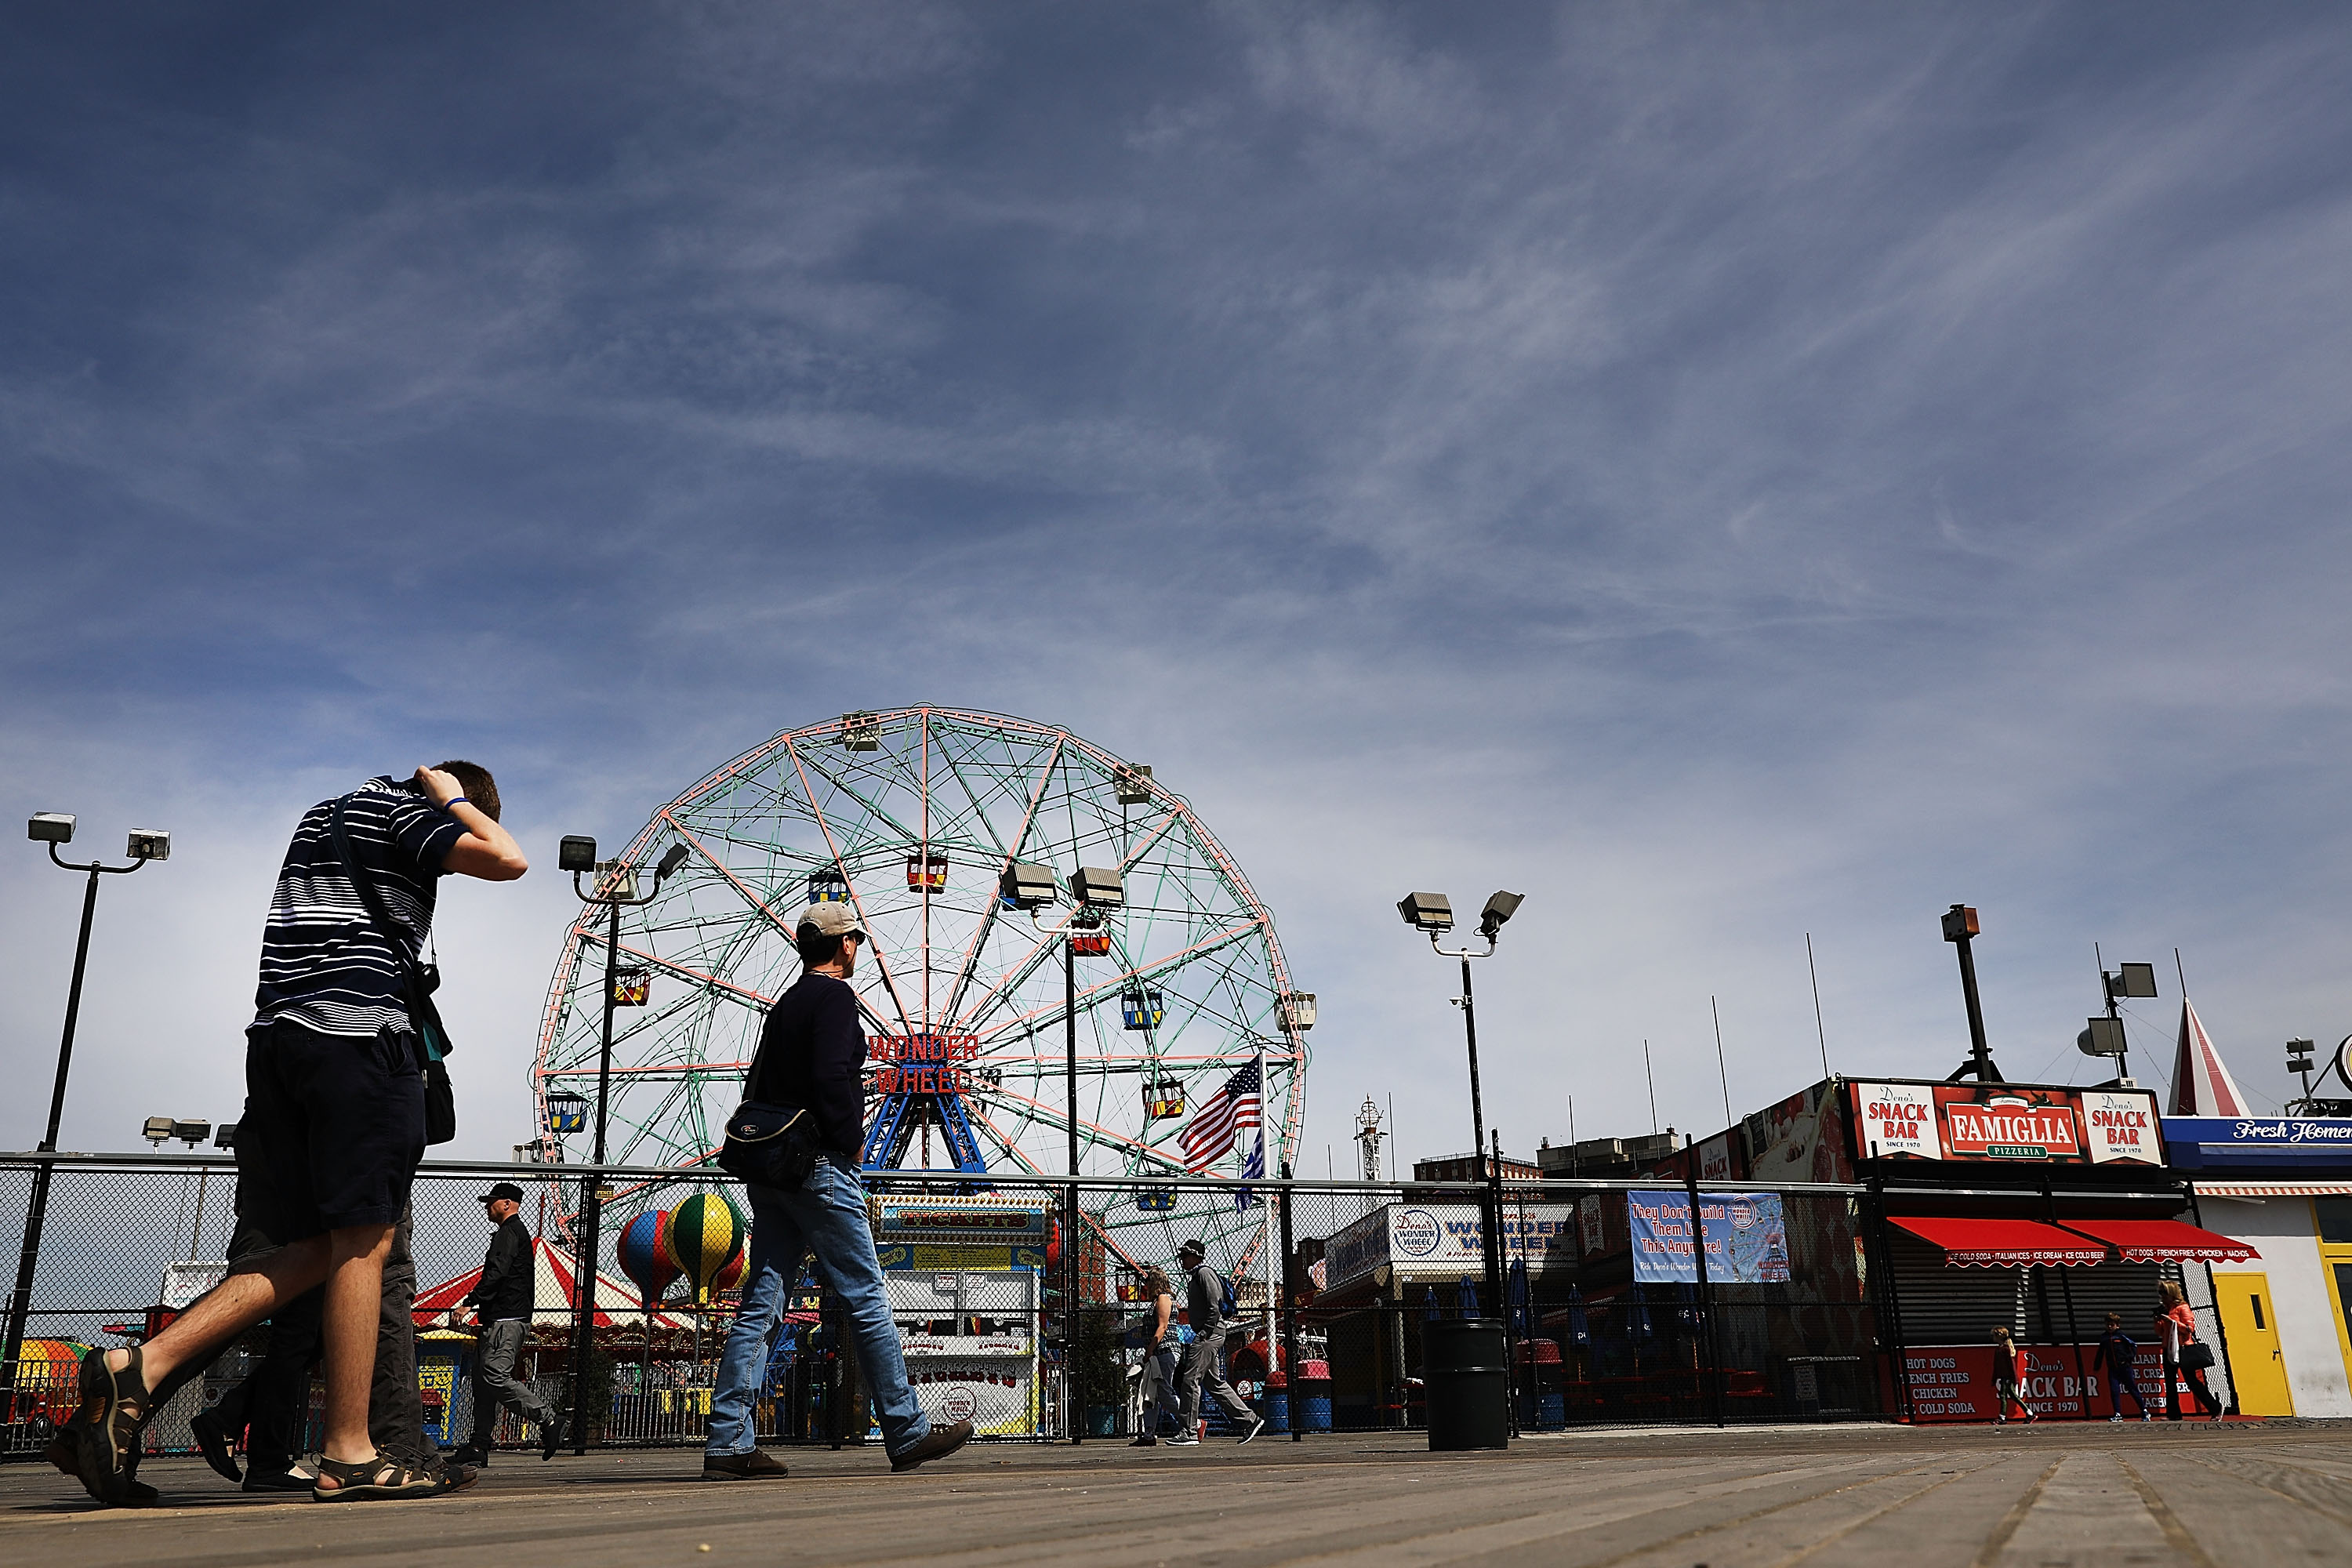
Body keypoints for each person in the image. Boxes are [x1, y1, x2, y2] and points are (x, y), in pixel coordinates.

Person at [60, 764, 526, 1506]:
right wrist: (456, 800)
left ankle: (139, 1370)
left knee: (310, 1253)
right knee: (366, 1242)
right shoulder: (405, 811)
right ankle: (349, 1452)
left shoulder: (323, 814)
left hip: (279, 1039)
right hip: (358, 1035)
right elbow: (508, 859)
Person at [701, 901, 972, 1481]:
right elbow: (830, 1077)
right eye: (855, 940)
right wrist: (853, 1142)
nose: (858, 948)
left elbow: (759, 1084)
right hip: (821, 1168)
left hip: (772, 1170)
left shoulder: (785, 1005)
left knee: (762, 1304)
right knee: (866, 1297)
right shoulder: (834, 1000)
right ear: (844, 944)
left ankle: (728, 1442)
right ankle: (905, 1430)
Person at [448, 1181, 564, 1465]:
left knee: (494, 1376)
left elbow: (497, 1272)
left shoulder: (509, 1233)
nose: (487, 1207)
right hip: (501, 1317)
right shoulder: (512, 1233)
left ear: (505, 1204)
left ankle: (548, 1418)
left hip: (506, 1318)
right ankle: (479, 1446)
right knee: (483, 1383)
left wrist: (469, 1302)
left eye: (491, 1202)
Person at [1172, 1240, 1263, 1445]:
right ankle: (1250, 1420)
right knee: (1214, 1383)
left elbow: (1215, 1305)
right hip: (1211, 1332)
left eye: (1185, 1255)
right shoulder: (1197, 1276)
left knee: (1190, 1378)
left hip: (1209, 1333)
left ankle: (1189, 1432)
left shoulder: (1204, 1274)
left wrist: (1204, 1332)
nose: (1182, 1260)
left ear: (1195, 1255)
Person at [1129, 1268, 1181, 1447]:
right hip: (1157, 1352)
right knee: (1150, 1393)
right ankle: (1149, 1433)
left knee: (1163, 1391)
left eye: (1148, 1282)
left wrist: (1149, 1350)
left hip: (1164, 1350)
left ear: (1155, 1282)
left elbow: (1162, 1327)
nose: (1145, 1286)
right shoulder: (1158, 1300)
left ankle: (1193, 1422)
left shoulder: (1163, 1299)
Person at [2157, 1280, 2221, 1420]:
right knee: (2170, 1382)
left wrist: (2173, 1322)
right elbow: (2160, 1332)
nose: (2161, 1296)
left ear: (2171, 1293)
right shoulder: (2166, 1309)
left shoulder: (2182, 1308)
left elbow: (2189, 1329)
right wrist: (2158, 1321)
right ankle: (2173, 1414)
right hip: (2169, 1348)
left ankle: (2215, 1407)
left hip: (2184, 1348)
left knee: (2191, 1381)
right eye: (2160, 1293)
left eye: (2164, 1293)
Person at [2090, 1312, 2151, 1422]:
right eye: (2108, 1324)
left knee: (2133, 1389)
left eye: (2112, 1325)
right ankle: (2117, 1413)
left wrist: (2128, 1358)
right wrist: (2097, 1366)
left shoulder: (2121, 1335)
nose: (2110, 1327)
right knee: (2114, 1390)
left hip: (2125, 1368)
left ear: (2117, 1325)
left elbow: (2134, 1345)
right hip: (2113, 1369)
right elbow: (2100, 1353)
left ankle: (2144, 1411)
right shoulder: (2104, 1337)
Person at [1990, 1327, 2035, 1424]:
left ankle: (2002, 1417)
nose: (1992, 1338)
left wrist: (2014, 1378)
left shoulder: (2005, 1350)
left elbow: (2011, 1365)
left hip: (2007, 1377)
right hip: (2003, 1376)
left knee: (2003, 1396)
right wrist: (1994, 1378)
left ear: (1999, 1337)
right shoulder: (1999, 1349)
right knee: (2014, 1396)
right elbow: (1996, 1366)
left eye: (1994, 1335)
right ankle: (2030, 1413)